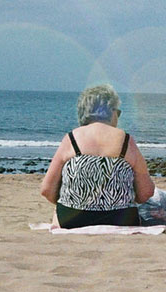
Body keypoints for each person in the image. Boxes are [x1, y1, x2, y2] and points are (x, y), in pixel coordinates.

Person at [40, 84, 155, 229]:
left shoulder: (72, 139)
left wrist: (75, 200)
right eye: (118, 113)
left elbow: (46, 189)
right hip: (121, 219)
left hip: (71, 219)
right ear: (111, 112)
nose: (118, 117)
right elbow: (146, 192)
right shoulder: (125, 141)